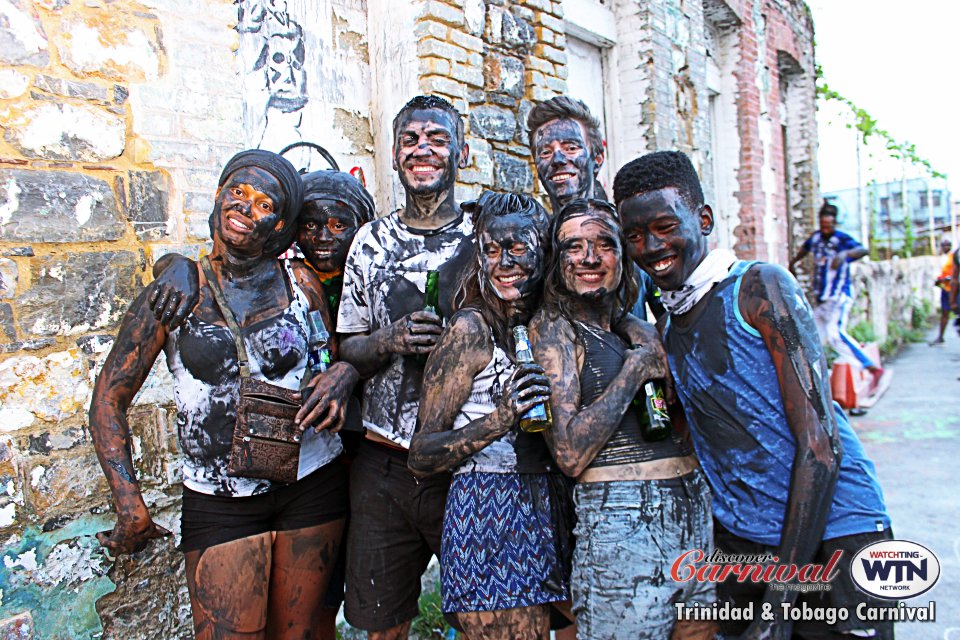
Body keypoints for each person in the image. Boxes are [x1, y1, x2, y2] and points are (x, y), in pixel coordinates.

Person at [614, 150, 893, 640]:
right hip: (747, 541)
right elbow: (680, 431)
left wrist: (780, 604)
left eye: (663, 226)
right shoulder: (669, 325)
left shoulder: (759, 288)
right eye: (634, 236)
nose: (650, 246)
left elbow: (821, 447)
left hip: (837, 534)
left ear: (703, 219)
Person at [89, 149, 359, 638]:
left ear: (279, 226)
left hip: (312, 484)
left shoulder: (300, 283)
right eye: (238, 192)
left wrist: (340, 378)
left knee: (300, 633)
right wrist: (128, 498)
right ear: (217, 197)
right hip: (220, 499)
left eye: (263, 204)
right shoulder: (178, 291)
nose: (245, 207)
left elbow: (328, 358)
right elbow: (109, 398)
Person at [529, 199, 715, 640]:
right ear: (557, 263)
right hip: (622, 519)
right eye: (573, 247)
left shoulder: (637, 328)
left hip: (692, 507)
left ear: (623, 256)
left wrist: (642, 337)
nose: (590, 258)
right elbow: (570, 453)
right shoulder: (554, 330)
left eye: (604, 245)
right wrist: (634, 370)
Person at [336, 95, 473, 639]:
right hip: (383, 463)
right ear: (394, 155)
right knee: (380, 620)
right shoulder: (370, 242)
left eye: (437, 139)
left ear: (460, 151)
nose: (424, 150)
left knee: (482, 614)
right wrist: (389, 339)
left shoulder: (484, 240)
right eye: (411, 140)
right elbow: (348, 348)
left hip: (467, 464)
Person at [409, 192, 571, 639]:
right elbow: (420, 454)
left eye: (516, 248)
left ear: (543, 248)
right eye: (491, 250)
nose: (502, 262)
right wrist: (499, 419)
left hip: (554, 503)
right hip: (489, 513)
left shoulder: (553, 323)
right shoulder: (469, 331)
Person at [526, 95, 663, 322]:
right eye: (545, 152)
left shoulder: (632, 234)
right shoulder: (533, 245)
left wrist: (645, 343)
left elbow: (674, 316)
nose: (558, 159)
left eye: (571, 147)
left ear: (597, 158)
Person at [790, 200, 882, 387]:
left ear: (834, 224)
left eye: (828, 226)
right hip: (821, 299)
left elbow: (863, 250)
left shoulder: (841, 240)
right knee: (809, 335)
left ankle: (869, 366)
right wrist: (793, 263)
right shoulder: (815, 239)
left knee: (835, 335)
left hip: (838, 296)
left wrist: (844, 255)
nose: (825, 229)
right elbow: (803, 250)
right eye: (822, 226)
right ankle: (812, 381)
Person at [931, 237, 953, 345]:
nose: (945, 247)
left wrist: (946, 279)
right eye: (943, 245)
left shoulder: (954, 257)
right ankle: (941, 337)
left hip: (954, 290)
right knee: (945, 313)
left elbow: (955, 275)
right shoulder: (942, 258)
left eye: (947, 245)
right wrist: (939, 280)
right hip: (945, 289)